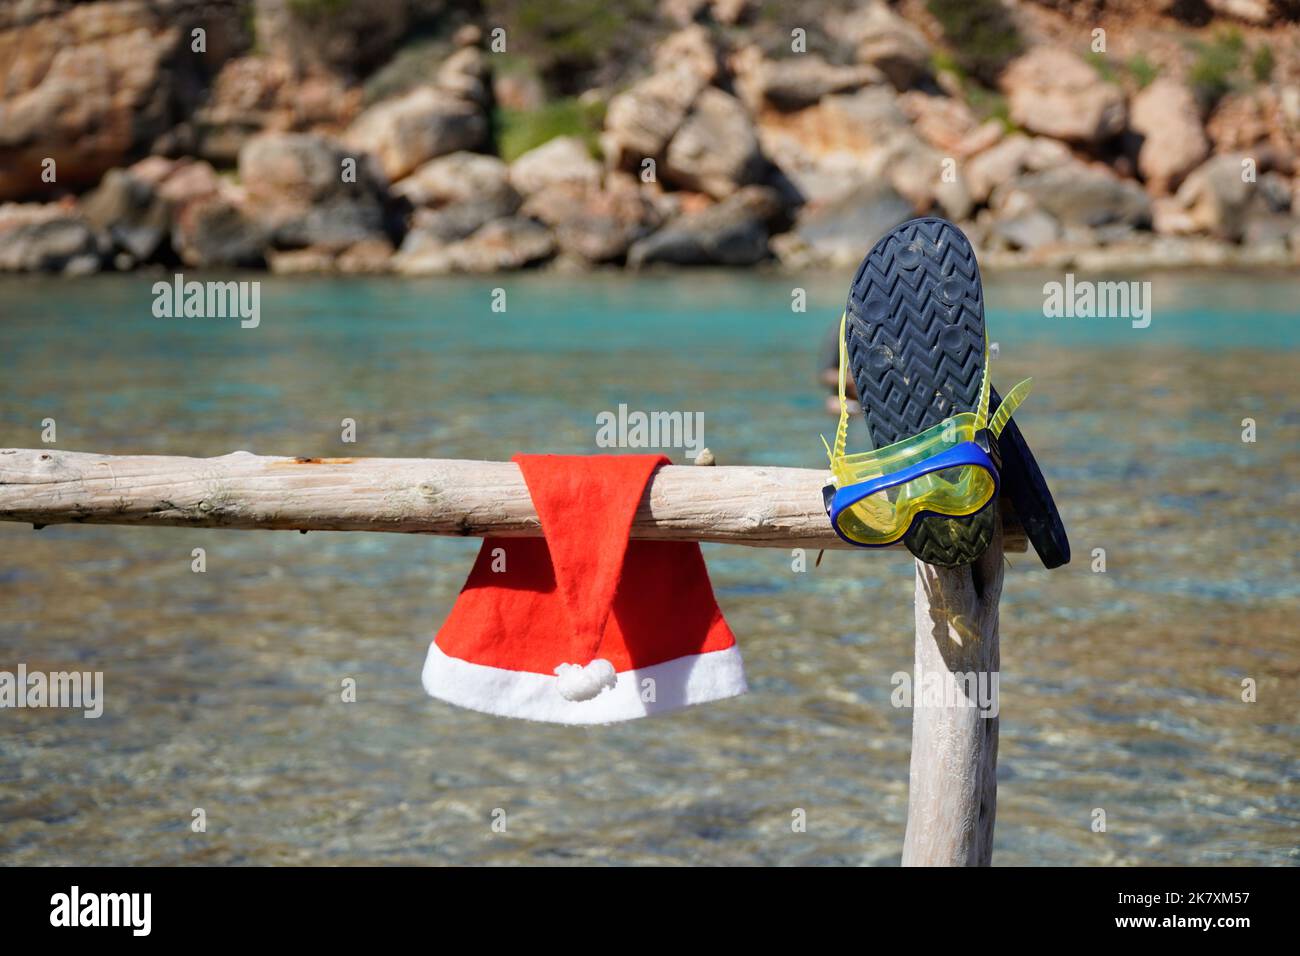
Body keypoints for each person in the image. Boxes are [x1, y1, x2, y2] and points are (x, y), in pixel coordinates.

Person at [819, 317, 860, 416]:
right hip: (848, 402)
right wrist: (856, 380)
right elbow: (826, 375)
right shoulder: (841, 328)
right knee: (833, 404)